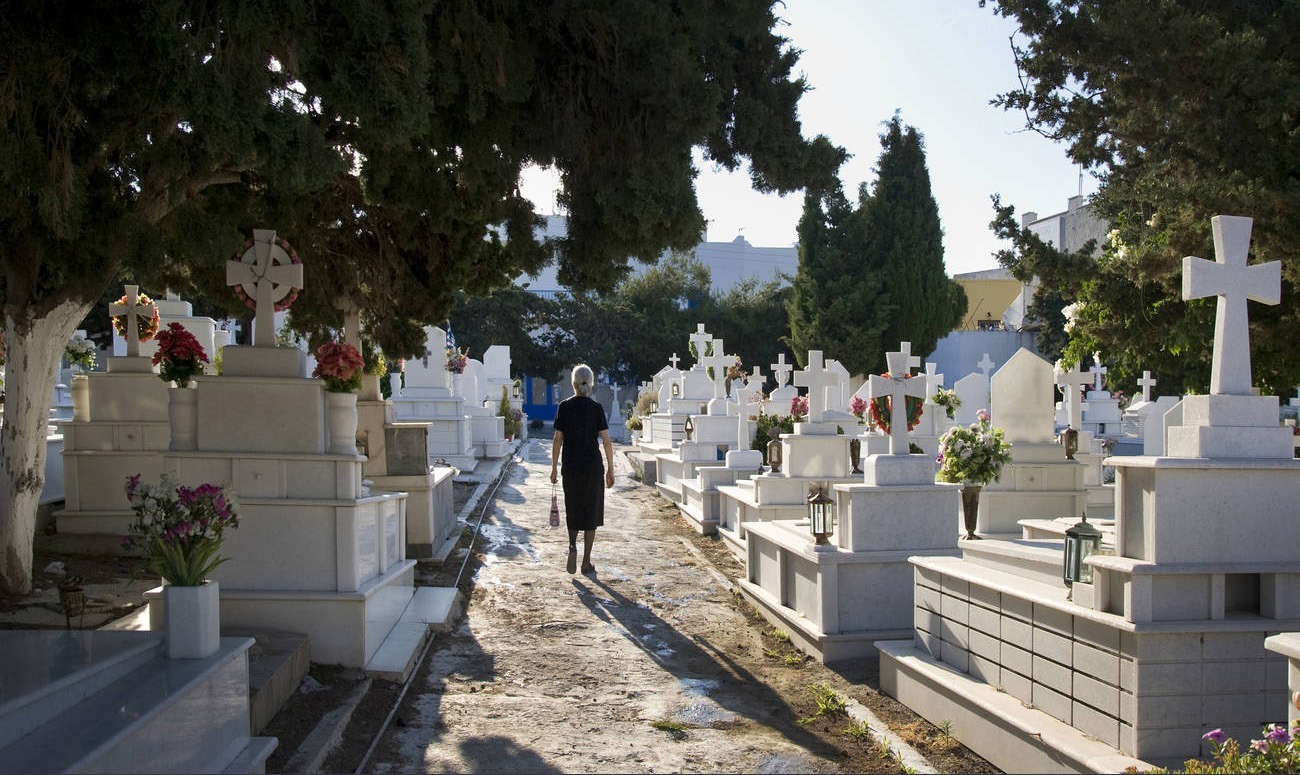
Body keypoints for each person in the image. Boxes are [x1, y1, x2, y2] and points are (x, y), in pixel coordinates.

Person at [550, 364, 615, 575]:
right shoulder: (596, 408)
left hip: (571, 467)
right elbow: (606, 441)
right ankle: (586, 561)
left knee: (574, 509)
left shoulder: (564, 406)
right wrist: (611, 469)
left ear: (573, 383)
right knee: (591, 513)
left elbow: (557, 438)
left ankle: (571, 545)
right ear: (591, 383)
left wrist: (553, 467)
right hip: (592, 468)